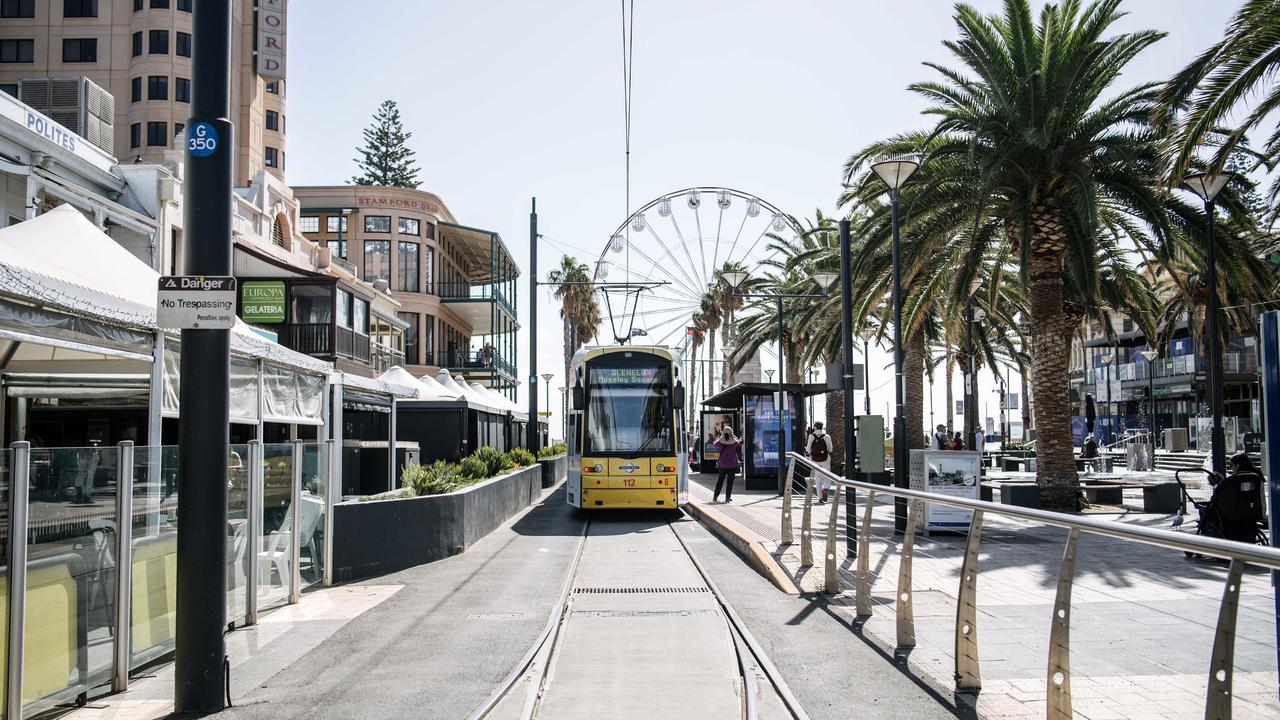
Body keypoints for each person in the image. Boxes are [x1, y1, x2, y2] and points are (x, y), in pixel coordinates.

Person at [1206, 453, 1266, 543]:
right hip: (1254, 514)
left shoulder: (1230, 480)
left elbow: (1215, 498)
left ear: (1237, 465)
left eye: (1232, 465)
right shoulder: (1257, 478)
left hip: (1233, 516)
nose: (1232, 468)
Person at [712, 427, 742, 502]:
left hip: (722, 465)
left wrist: (721, 437)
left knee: (720, 480)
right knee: (730, 482)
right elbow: (739, 441)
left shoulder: (720, 443)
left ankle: (715, 496)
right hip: (732, 464)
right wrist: (733, 436)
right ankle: (727, 498)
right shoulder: (734, 443)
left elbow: (714, 444)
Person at [807, 422, 833, 503]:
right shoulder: (827, 436)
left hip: (814, 460)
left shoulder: (811, 436)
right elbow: (830, 449)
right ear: (822, 427)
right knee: (827, 475)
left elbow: (808, 449)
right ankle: (825, 488)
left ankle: (820, 498)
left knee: (818, 479)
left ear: (815, 427)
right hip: (825, 459)